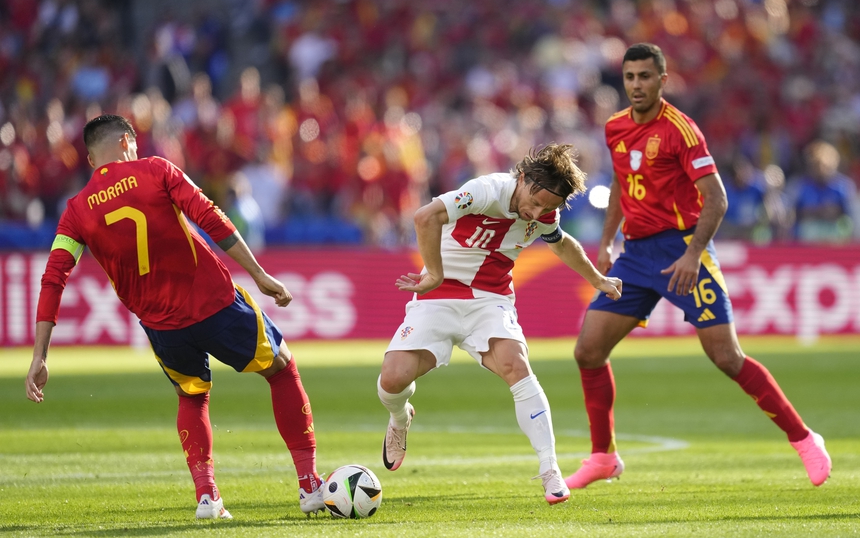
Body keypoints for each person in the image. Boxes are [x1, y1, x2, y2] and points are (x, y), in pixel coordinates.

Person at [24, 114, 326, 519]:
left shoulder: (76, 210)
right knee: (282, 368)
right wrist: (258, 273)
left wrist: (40, 354)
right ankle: (309, 486)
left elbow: (54, 277)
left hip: (163, 328)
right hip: (213, 303)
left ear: (93, 160)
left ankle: (207, 497)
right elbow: (209, 215)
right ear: (128, 141)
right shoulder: (156, 169)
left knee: (192, 395)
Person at [565, 43, 832, 490]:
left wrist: (692, 256)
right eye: (629, 77)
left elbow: (717, 198)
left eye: (645, 77)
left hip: (681, 249)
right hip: (634, 255)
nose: (635, 85)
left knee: (726, 357)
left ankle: (805, 440)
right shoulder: (614, 128)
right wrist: (608, 241)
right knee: (588, 350)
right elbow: (619, 187)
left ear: (661, 81)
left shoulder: (681, 131)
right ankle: (602, 457)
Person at [377, 144, 623, 505]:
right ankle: (400, 417)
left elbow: (561, 243)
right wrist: (433, 273)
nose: (536, 213)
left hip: (489, 301)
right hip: (438, 295)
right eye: (535, 202)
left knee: (517, 366)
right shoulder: (486, 190)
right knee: (393, 378)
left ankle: (550, 469)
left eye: (547, 209)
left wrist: (598, 279)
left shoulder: (543, 212)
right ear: (522, 178)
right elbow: (424, 217)